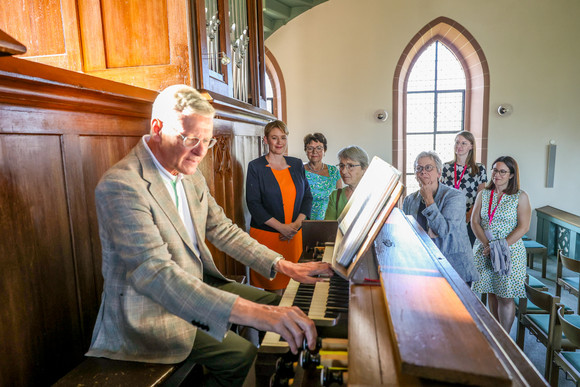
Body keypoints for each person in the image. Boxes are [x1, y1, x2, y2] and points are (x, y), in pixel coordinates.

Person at [86, 85, 333, 387]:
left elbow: (223, 230)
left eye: (207, 140)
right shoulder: (122, 185)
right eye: (191, 139)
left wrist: (284, 265)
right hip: (151, 311)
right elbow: (156, 275)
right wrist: (255, 315)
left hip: (198, 282)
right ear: (157, 128)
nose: (201, 152)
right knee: (242, 355)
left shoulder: (189, 171)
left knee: (279, 302)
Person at [246, 120, 313, 293]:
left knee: (294, 289)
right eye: (274, 138)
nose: (279, 142)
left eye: (283, 137)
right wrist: (281, 228)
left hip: (293, 235)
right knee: (273, 291)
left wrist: (296, 225)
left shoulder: (297, 164)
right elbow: (254, 204)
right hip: (268, 236)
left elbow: (307, 197)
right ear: (266, 140)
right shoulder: (256, 167)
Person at [471, 156, 531, 332]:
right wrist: (488, 244)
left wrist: (499, 246)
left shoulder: (520, 196)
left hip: (509, 252)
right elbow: (475, 222)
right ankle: (496, 332)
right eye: (495, 170)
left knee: (505, 296)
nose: (497, 174)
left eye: (502, 171)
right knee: (491, 291)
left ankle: (505, 338)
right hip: (485, 249)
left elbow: (524, 227)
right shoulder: (484, 193)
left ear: (511, 175)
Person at [402, 151, 479, 285]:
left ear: (438, 172)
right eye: (419, 168)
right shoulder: (409, 200)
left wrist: (429, 200)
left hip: (453, 266)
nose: (423, 172)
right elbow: (408, 233)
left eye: (428, 168)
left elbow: (443, 231)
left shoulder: (454, 197)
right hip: (423, 264)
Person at [440, 131, 487, 245]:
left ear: (471, 146)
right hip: (449, 215)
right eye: (457, 142)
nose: (459, 146)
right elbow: (441, 192)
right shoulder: (446, 167)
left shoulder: (479, 168)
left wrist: (468, 216)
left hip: (470, 217)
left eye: (463, 143)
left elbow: (480, 197)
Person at [303, 133, 342, 220]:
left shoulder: (333, 171)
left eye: (319, 148)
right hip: (305, 222)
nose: (314, 152)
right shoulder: (300, 171)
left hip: (329, 220)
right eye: (310, 148)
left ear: (325, 150)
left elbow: (339, 201)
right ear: (306, 151)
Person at [324, 145, 369, 220]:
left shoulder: (374, 195)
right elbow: (329, 228)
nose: (344, 171)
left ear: (364, 169)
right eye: (341, 166)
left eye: (350, 166)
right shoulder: (335, 196)